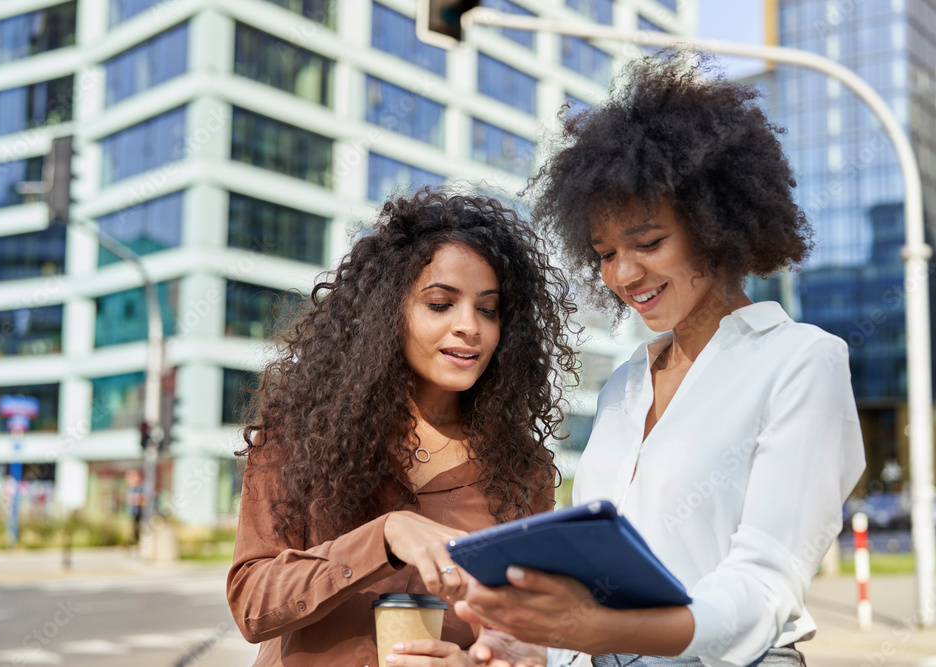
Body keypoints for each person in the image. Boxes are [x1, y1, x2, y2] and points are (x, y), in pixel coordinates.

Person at [455, 52, 866, 667]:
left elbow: (764, 587)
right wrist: (533, 647)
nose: (623, 274)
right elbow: (594, 585)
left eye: (648, 242)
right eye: (604, 252)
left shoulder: (803, 361)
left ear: (716, 224)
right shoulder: (624, 386)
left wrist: (602, 633)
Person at [227, 187, 578, 667]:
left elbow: (519, 636)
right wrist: (384, 536)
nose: (469, 326)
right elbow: (252, 605)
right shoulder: (299, 439)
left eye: (488, 309)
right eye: (440, 304)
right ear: (388, 313)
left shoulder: (523, 470)